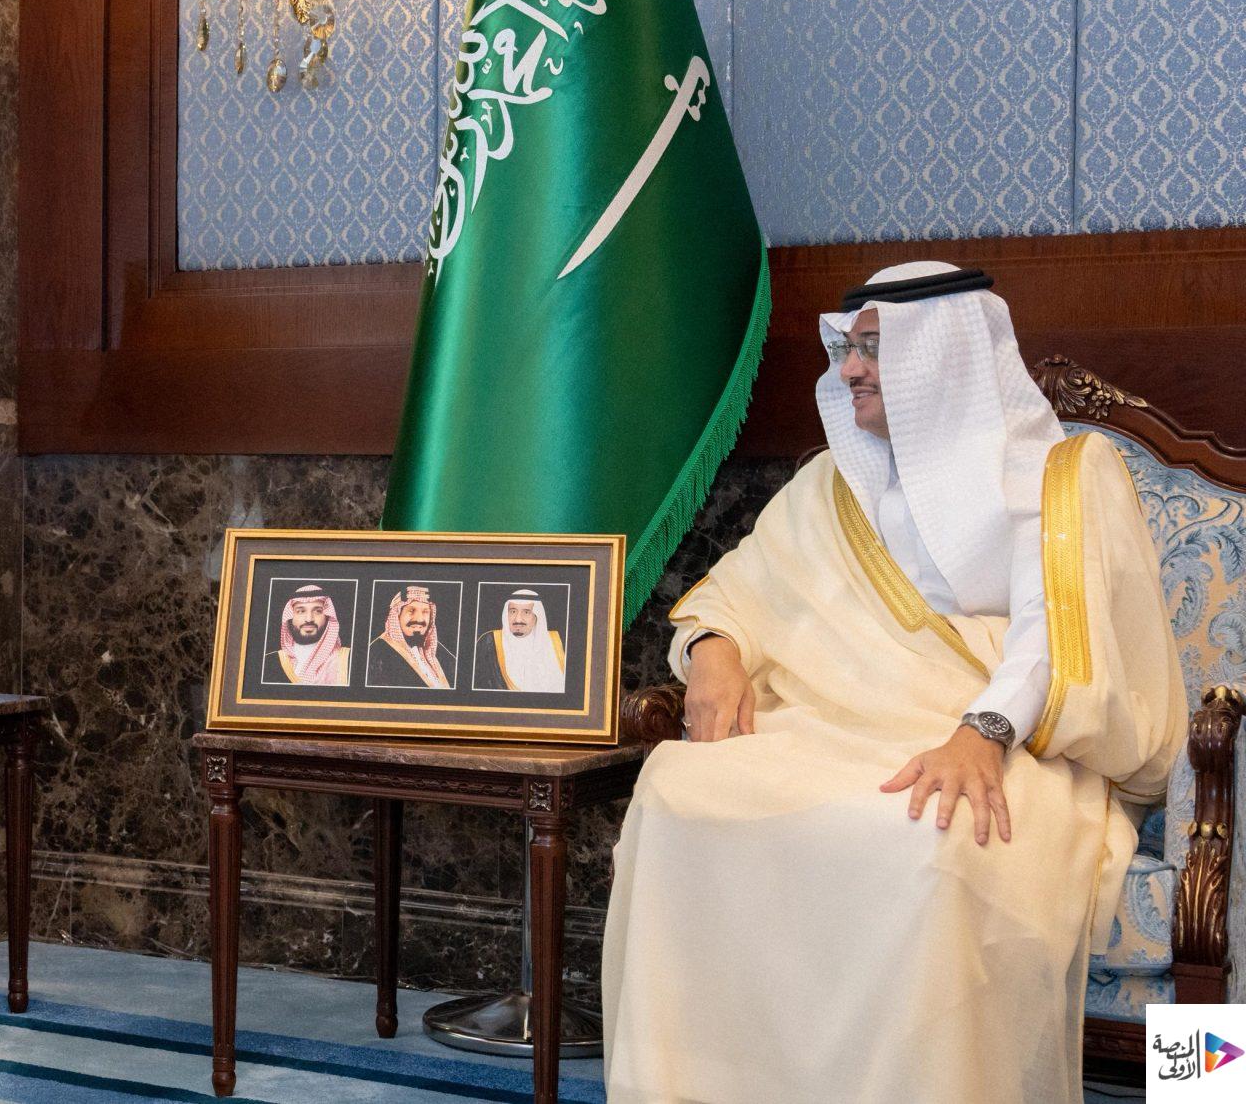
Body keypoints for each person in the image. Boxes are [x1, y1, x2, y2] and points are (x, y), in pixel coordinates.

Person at [601, 262, 1184, 1101]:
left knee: (929, 838)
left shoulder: (1061, 474)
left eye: (874, 349)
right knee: (676, 791)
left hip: (1006, 741)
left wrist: (981, 734)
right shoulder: (832, 485)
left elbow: (1054, 636)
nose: (849, 370)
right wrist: (714, 651)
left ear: (942, 354)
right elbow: (738, 592)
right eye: (847, 348)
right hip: (836, 726)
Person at [470, 589, 566, 692]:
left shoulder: (557, 642)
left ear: (537, 616)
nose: (518, 619)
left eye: (526, 612)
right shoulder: (489, 642)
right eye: (513, 611)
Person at [365, 585, 452, 688]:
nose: (419, 619)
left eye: (425, 612)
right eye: (411, 611)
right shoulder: (377, 653)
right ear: (397, 615)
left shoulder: (440, 652)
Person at [268, 585, 351, 685]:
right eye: (301, 611)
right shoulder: (269, 661)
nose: (309, 619)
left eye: (317, 611)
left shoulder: (347, 659)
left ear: (327, 616)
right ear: (290, 617)